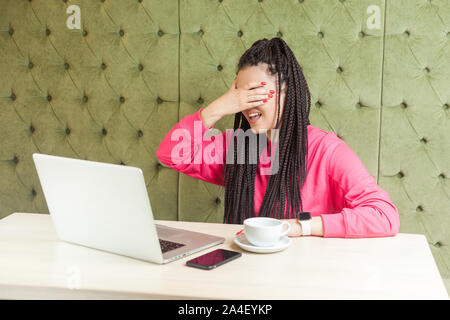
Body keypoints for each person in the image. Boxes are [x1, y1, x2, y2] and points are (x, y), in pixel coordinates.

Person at [156, 37, 400, 238]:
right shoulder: (240, 148)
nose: (245, 103)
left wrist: (300, 226)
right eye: (239, 95)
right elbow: (172, 155)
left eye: (254, 92)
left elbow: (384, 216)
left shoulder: (326, 151)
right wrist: (217, 109)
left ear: (286, 91)